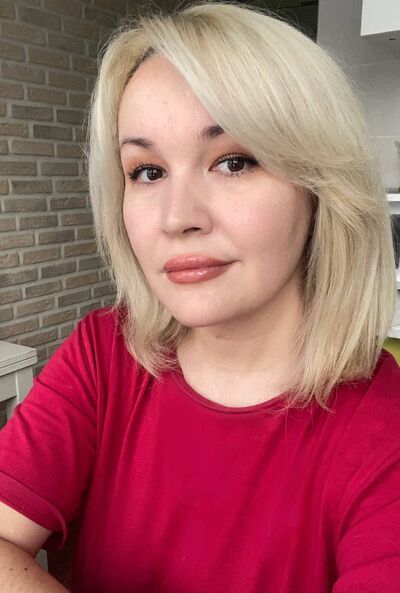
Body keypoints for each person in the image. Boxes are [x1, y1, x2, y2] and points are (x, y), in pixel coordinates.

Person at [0, 1, 399, 592]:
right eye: (147, 171)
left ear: (320, 186)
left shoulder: (385, 434)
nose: (177, 217)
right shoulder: (104, 353)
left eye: (233, 161)